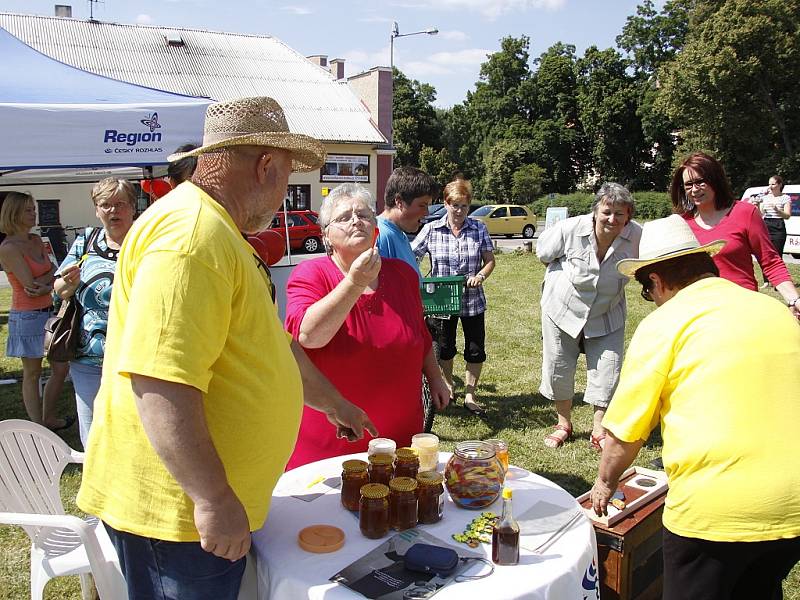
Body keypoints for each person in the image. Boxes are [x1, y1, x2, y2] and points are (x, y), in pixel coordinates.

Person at [76, 96, 377, 600]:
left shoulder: (217, 230)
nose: (285, 195)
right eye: (285, 177)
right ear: (265, 166)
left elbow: (268, 345)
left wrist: (335, 404)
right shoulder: (193, 236)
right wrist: (213, 498)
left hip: (195, 509)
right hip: (177, 517)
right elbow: (160, 378)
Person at [591, 214, 800, 600]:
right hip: (793, 511)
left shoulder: (663, 324)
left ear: (655, 280)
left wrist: (605, 482)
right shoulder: (774, 310)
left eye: (646, 291)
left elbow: (626, 432)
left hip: (715, 516)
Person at [284, 183, 449, 469]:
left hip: (399, 437)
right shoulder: (310, 275)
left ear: (375, 227)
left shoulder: (402, 275)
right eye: (344, 217)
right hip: (334, 442)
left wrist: (434, 375)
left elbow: (419, 333)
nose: (356, 220)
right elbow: (308, 336)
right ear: (326, 235)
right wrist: (354, 283)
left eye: (364, 215)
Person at [536, 183, 642, 450]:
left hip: (608, 312)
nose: (612, 219)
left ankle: (599, 429)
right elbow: (543, 253)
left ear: (628, 215)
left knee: (608, 368)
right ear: (596, 210)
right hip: (562, 308)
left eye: (620, 213)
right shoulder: (570, 228)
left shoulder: (638, 235)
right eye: (607, 211)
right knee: (559, 366)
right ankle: (563, 423)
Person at [53, 178, 136, 449]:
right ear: (96, 210)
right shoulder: (85, 241)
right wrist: (68, 282)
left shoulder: (145, 241)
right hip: (89, 358)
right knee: (93, 437)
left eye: (120, 204)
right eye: (105, 205)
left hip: (135, 359)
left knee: (135, 434)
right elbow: (59, 289)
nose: (113, 211)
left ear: (132, 207)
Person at [672, 152, 800, 316]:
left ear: (715, 179)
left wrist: (794, 299)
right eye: (688, 184)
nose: (694, 189)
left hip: (743, 312)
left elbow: (771, 262)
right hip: (700, 316)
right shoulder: (680, 224)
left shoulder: (745, 213)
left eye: (700, 182)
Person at [411, 178, 495, 415]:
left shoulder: (478, 228)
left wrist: (480, 275)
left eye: (464, 206)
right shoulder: (431, 229)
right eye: (455, 205)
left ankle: (470, 393)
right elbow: (411, 256)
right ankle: (448, 383)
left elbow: (490, 261)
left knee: (476, 349)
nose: (459, 211)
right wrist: (416, 278)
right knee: (445, 348)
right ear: (445, 204)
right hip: (442, 300)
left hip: (472, 300)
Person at [0, 192, 72, 431]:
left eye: (34, 209)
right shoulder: (9, 247)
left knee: (61, 368)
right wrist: (49, 280)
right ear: (14, 213)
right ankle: (38, 426)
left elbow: (54, 270)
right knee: (32, 373)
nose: (34, 213)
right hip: (27, 317)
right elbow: (31, 287)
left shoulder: (35, 240)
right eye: (28, 209)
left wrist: (47, 281)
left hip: (48, 312)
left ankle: (48, 417)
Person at [377, 166, 439, 278]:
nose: (427, 213)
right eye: (422, 205)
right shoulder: (380, 235)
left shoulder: (400, 234)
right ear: (399, 202)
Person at [752, 175, 791, 288]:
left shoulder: (785, 198)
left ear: (779, 185)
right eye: (769, 184)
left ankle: (778, 282)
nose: (770, 186)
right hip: (766, 225)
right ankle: (766, 281)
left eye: (773, 184)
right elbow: (760, 215)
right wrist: (757, 206)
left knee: (777, 255)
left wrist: (777, 210)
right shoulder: (765, 197)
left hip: (778, 226)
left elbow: (787, 215)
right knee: (765, 254)